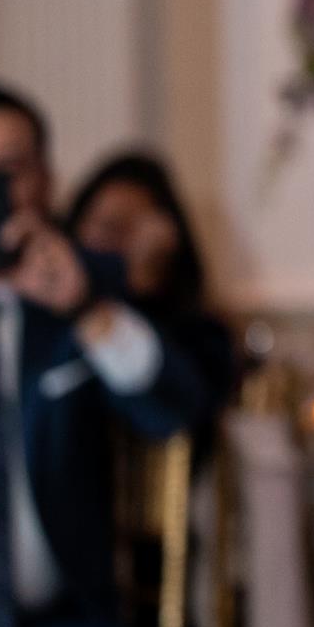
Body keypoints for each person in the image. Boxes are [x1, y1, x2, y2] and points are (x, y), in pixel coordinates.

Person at [0, 85, 211, 627]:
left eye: (9, 168)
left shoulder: (81, 288)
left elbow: (174, 409)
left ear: (45, 181)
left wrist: (85, 309)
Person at [67, 153, 237, 443]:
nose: (121, 245)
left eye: (135, 231)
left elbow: (177, 412)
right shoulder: (51, 323)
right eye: (109, 227)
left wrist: (139, 285)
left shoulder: (202, 335)